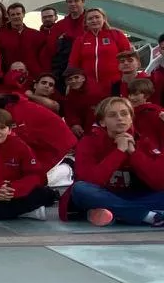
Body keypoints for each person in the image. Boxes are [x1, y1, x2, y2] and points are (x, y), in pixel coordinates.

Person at [63, 97, 164, 226]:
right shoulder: (88, 142)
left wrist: (134, 153)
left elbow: (159, 182)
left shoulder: (144, 142)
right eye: (112, 115)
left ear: (131, 118)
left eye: (124, 114)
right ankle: (150, 216)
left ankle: (117, 212)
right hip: (102, 195)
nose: (120, 118)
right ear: (102, 122)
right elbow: (89, 181)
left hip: (134, 197)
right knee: (80, 189)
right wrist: (119, 152)